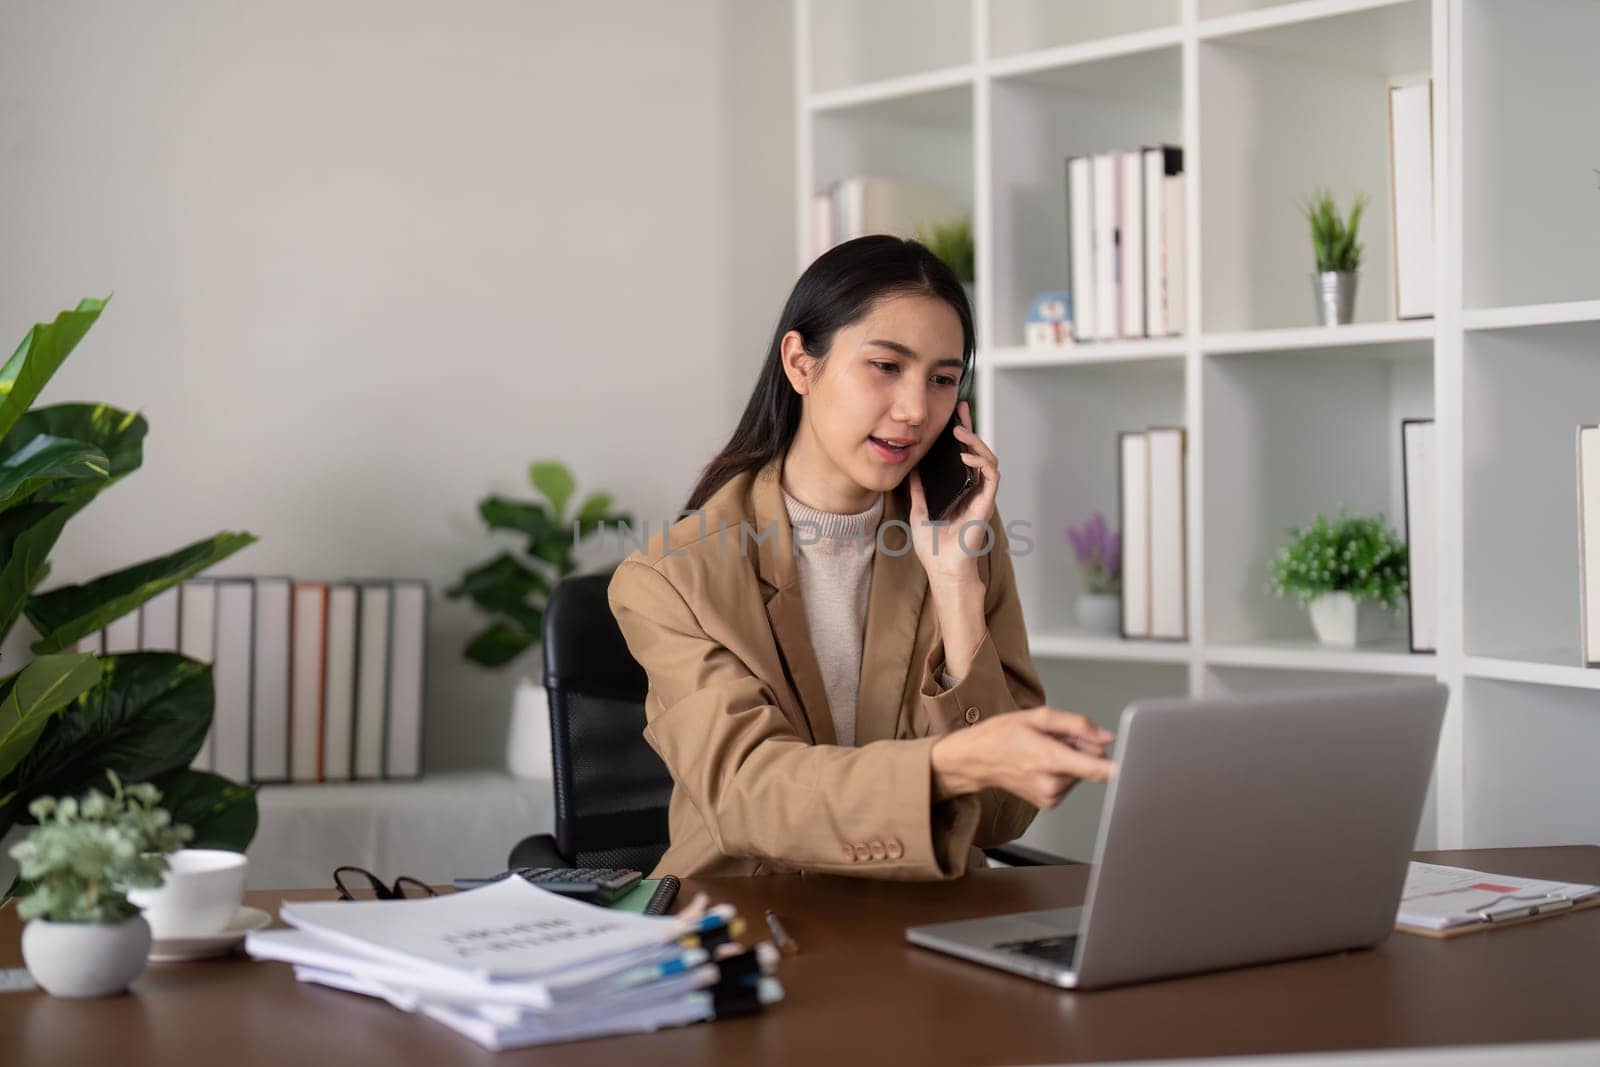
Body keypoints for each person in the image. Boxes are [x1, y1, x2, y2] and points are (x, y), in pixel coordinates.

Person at [608, 235, 1115, 880]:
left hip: (924, 919)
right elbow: (749, 795)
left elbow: (1001, 817)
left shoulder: (964, 543)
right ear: (801, 364)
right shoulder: (672, 578)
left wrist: (957, 586)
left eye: (941, 380)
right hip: (753, 922)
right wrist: (952, 765)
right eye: (885, 366)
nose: (913, 411)